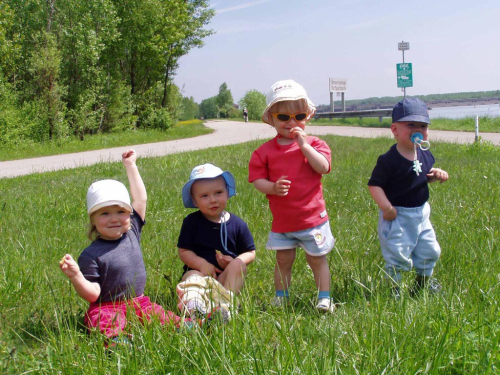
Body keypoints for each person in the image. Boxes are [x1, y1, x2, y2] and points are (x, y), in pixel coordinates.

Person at [59, 149, 184, 344]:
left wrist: (130, 165)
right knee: (104, 321)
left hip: (139, 302)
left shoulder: (132, 231)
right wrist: (76, 276)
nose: (114, 218)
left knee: (160, 315)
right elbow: (93, 294)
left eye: (120, 211)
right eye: (105, 213)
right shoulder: (90, 255)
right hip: (106, 307)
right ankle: (117, 342)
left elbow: (140, 200)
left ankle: (190, 326)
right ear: (93, 219)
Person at [248, 79, 335, 314]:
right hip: (283, 223)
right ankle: (281, 297)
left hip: (312, 220)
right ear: (271, 119)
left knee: (317, 260)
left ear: (308, 116)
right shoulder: (264, 151)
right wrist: (272, 188)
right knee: (283, 261)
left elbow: (323, 167)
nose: (292, 123)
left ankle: (324, 298)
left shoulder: (316, 144)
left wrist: (305, 146)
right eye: (284, 118)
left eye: (299, 116)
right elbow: (257, 180)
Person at [368, 97, 449, 298]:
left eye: (422, 125)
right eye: (410, 125)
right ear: (395, 129)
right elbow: (374, 185)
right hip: (397, 215)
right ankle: (393, 290)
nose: (417, 130)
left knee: (430, 251)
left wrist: (434, 175)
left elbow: (420, 178)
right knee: (398, 254)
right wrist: (387, 208)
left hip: (421, 214)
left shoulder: (424, 153)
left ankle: (422, 284)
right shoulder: (389, 160)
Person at [177, 163, 256, 318]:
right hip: (200, 274)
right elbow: (184, 250)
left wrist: (235, 261)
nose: (213, 200)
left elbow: (250, 252)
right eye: (204, 196)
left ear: (227, 193)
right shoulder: (192, 222)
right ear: (194, 201)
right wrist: (201, 264)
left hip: (224, 276)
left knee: (239, 266)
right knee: (191, 277)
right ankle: (194, 305)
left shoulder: (237, 224)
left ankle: (225, 306)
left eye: (218, 193)